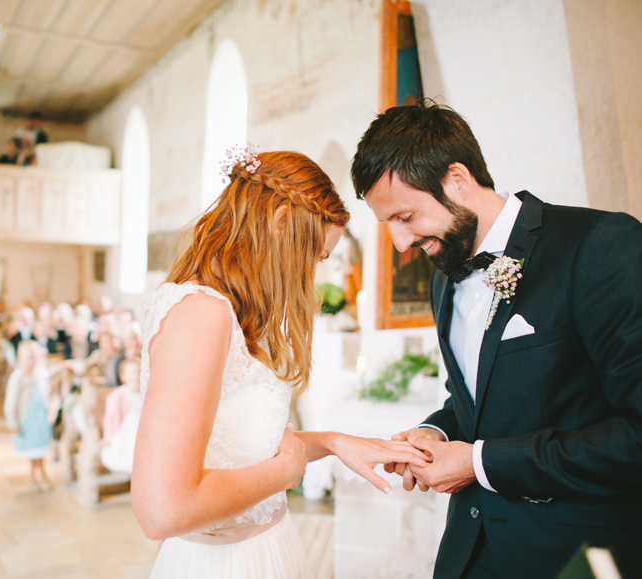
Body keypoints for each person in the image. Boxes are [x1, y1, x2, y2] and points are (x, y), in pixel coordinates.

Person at [350, 100, 642, 578]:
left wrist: (480, 462)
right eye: (388, 226)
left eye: (405, 217)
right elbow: (474, 400)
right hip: (470, 553)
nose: (401, 245)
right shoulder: (443, 279)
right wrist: (436, 433)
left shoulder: (598, 245)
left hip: (574, 554)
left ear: (457, 179)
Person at [133, 150, 431, 577]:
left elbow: (239, 451)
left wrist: (332, 442)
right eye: (314, 256)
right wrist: (285, 472)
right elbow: (163, 509)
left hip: (266, 550)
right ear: (279, 225)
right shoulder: (200, 313)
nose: (311, 275)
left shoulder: (227, 310)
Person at [3, 340, 59, 491]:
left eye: (33, 358)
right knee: (32, 450)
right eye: (27, 358)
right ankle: (36, 475)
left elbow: (48, 391)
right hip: (26, 418)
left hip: (40, 416)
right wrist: (12, 422)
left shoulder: (41, 373)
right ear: (20, 358)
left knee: (41, 448)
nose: (31, 362)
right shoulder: (17, 377)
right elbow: (10, 402)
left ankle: (39, 475)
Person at [100, 357, 142, 474]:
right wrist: (107, 437)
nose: (136, 376)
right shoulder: (118, 395)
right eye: (132, 373)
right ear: (123, 376)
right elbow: (111, 419)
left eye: (139, 372)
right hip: (126, 431)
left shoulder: (145, 393)